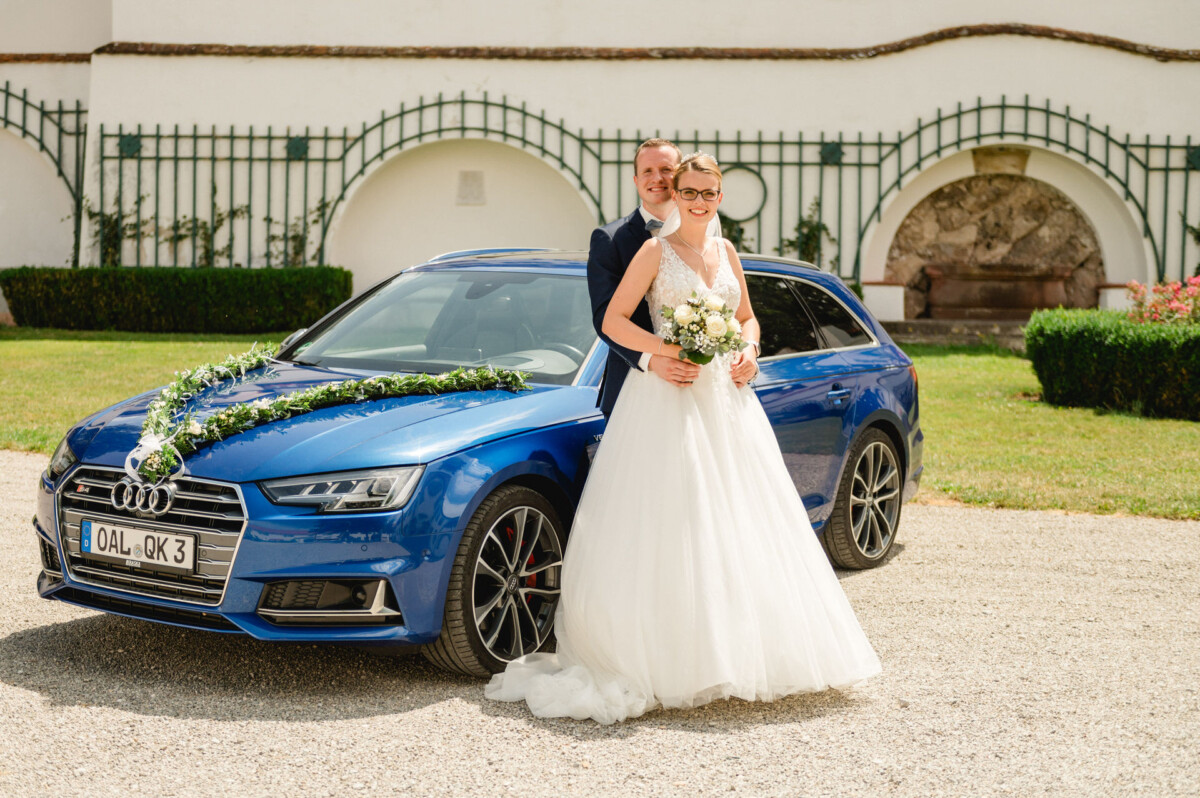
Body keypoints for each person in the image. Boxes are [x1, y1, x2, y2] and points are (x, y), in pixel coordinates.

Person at [485, 153, 881, 724]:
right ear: (676, 192)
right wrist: (660, 354)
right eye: (688, 190)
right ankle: (668, 658)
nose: (697, 200)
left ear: (720, 196)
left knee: (738, 520)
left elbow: (746, 317)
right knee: (671, 522)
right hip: (666, 397)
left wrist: (748, 349)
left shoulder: (727, 252)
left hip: (726, 402)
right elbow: (615, 320)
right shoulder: (653, 251)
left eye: (707, 192)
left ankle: (738, 651)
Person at [586, 138, 701, 418]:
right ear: (637, 180)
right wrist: (651, 360)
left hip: (698, 382)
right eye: (648, 171)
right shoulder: (610, 240)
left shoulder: (704, 237)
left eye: (666, 169)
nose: (657, 178)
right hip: (632, 385)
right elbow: (604, 319)